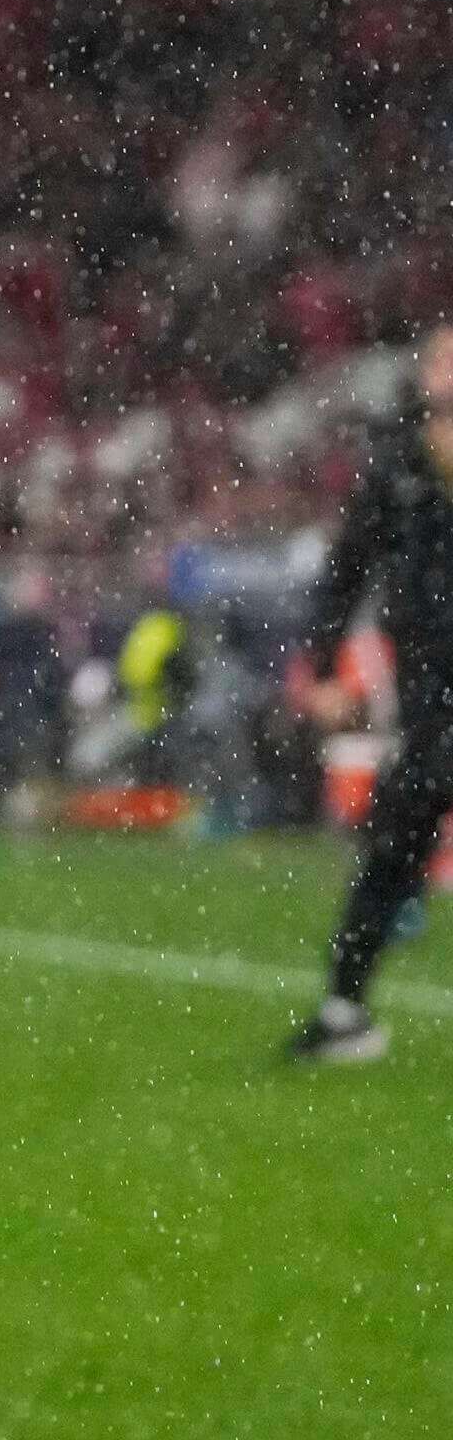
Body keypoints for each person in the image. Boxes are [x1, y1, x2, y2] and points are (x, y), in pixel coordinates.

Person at [290, 323, 453, 1062]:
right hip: (431, 692)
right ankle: (342, 1009)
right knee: (394, 842)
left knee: (398, 836)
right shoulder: (397, 471)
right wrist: (322, 669)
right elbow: (345, 570)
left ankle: (343, 1006)